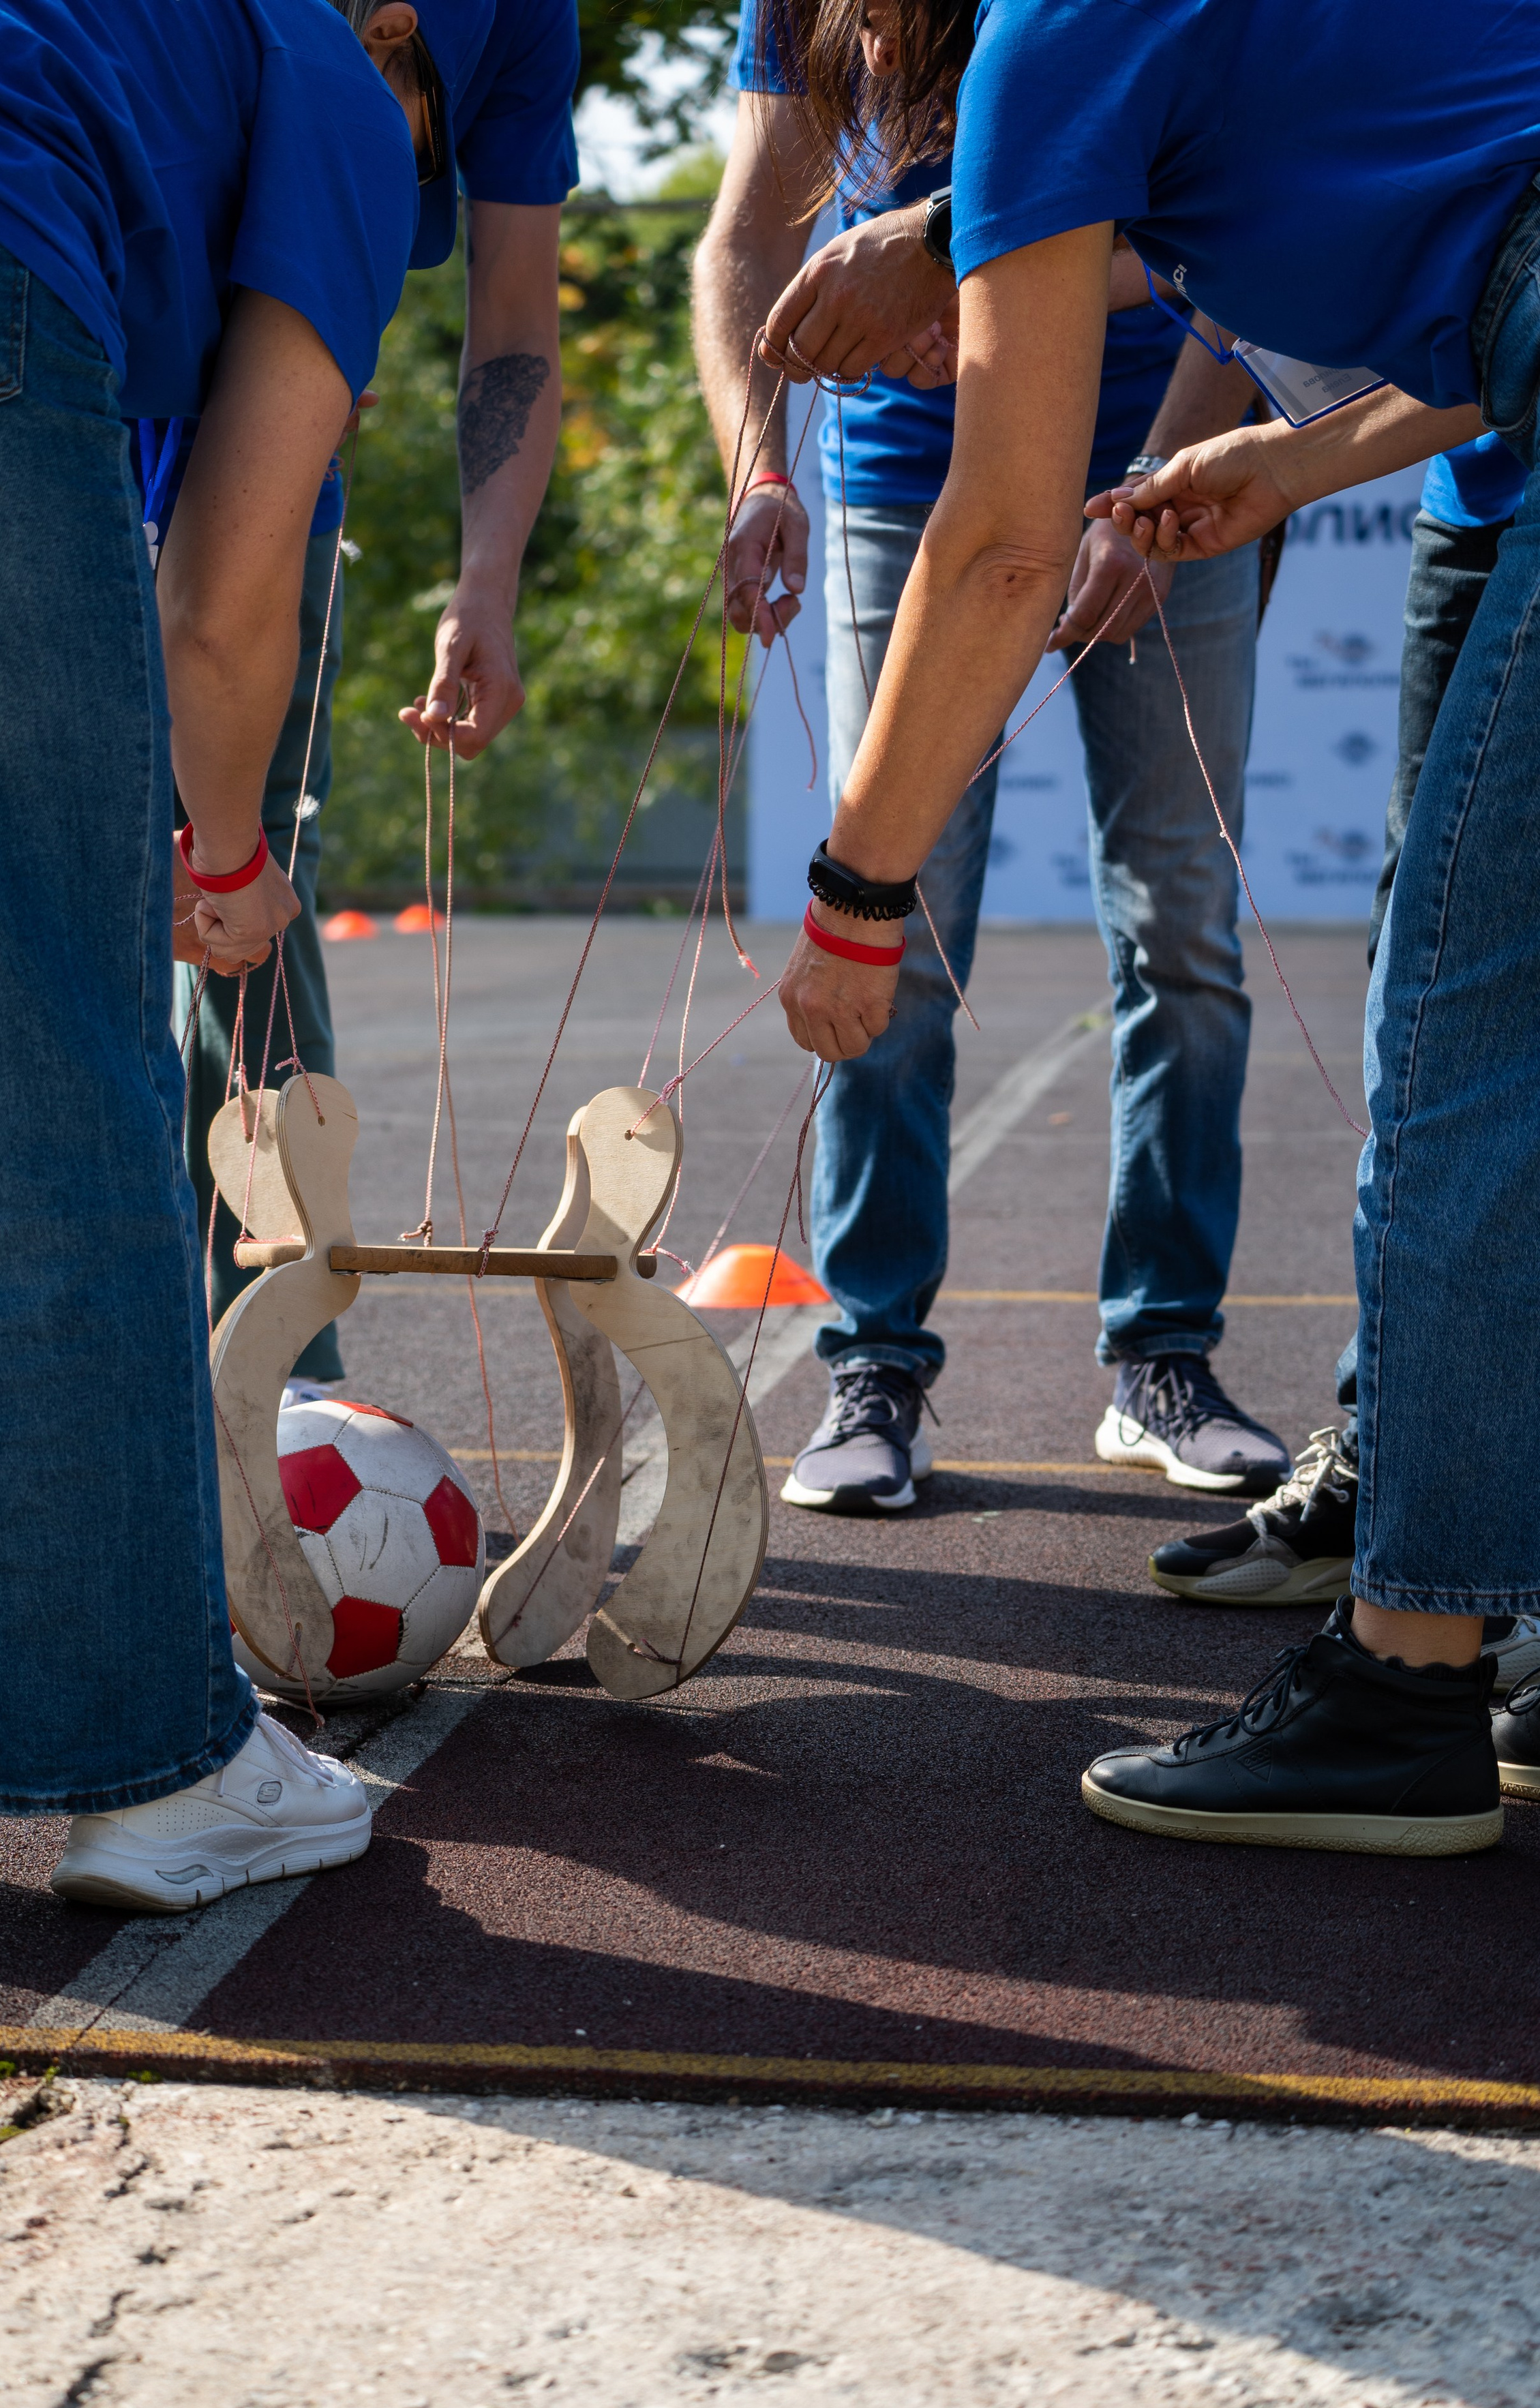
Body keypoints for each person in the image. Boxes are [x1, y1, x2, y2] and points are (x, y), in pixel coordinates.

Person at [759, 0, 1540, 1855]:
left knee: (1465, 1057)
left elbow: (1005, 540)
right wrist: (1286, 466)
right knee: (1487, 1050)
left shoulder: (1050, 36)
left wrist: (858, 894)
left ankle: (1405, 1687)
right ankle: (1451, 1569)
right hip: (1482, 410)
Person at [0, 0, 422, 1910]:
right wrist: (221, 857)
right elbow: (230, 592)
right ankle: (156, 1766)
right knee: (51, 1050)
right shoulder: (333, 81)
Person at [696, 11, 1288, 1516]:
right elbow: (739, 246)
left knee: (1179, 928)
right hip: (912, 493)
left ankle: (1162, 1358)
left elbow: (1224, 225)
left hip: (1165, 468)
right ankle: (870, 1366)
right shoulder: (799, 16)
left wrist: (1159, 480)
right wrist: (758, 464)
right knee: (886, 925)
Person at [172, 0, 580, 1406]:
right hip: (76, 427)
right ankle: (136, 1423)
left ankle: (286, 1385)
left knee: (251, 936)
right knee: (112, 949)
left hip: (273, 478)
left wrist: (486, 583)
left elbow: (514, 318)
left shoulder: (517, 22)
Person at [1146, 432, 1540, 1710]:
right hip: (1471, 504)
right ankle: (1410, 1493)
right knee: (1423, 1001)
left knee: (1466, 1025)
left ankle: (1432, 1631)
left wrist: (854, 894)